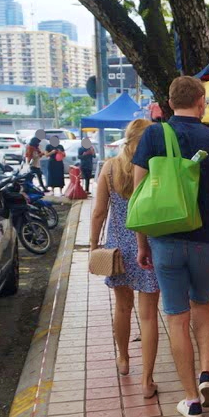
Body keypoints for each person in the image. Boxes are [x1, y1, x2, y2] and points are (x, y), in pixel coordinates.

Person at [132, 76, 209, 417]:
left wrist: (142, 243)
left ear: (169, 102)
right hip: (207, 241)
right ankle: (207, 372)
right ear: (201, 101)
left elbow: (139, 195)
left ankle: (191, 399)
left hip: (165, 240)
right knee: (203, 304)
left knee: (177, 318)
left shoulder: (152, 135)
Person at [90, 118, 160, 398]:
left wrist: (94, 245)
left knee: (122, 307)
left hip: (118, 248)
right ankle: (147, 380)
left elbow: (98, 212)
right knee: (149, 315)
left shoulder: (109, 168)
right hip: (150, 248)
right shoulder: (155, 167)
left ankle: (123, 358)